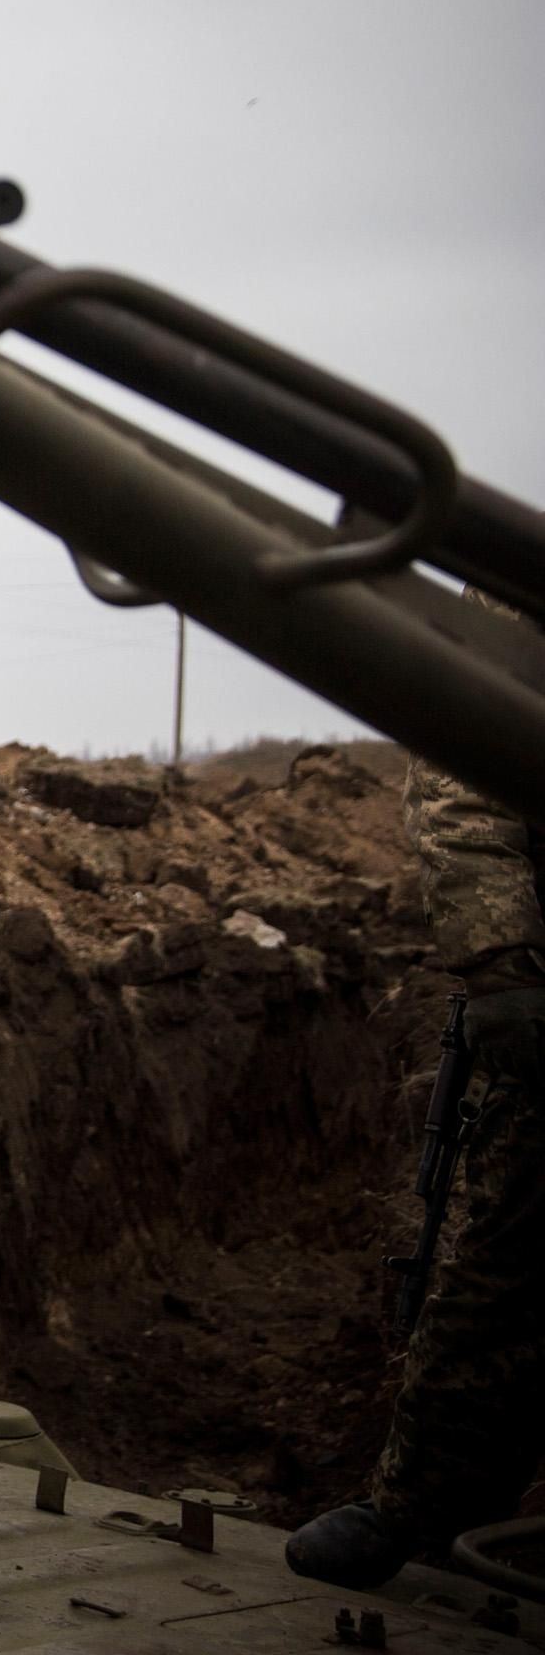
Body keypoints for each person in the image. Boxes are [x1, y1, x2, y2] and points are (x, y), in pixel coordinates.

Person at [287, 598, 544, 1588]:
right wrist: (505, 962)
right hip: (542, 1002)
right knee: (500, 1268)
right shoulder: (516, 583)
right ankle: (427, 1499)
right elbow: (465, 776)